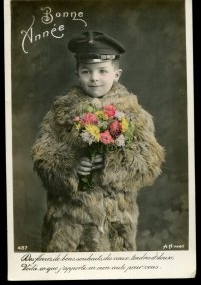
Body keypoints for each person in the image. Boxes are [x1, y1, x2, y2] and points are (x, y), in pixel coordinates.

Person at [31, 30, 165, 252]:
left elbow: (149, 164)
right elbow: (43, 159)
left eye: (102, 71)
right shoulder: (61, 112)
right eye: (86, 71)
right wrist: (73, 167)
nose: (94, 78)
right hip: (69, 222)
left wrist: (110, 163)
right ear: (78, 73)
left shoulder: (134, 114)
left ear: (117, 74)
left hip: (113, 221)